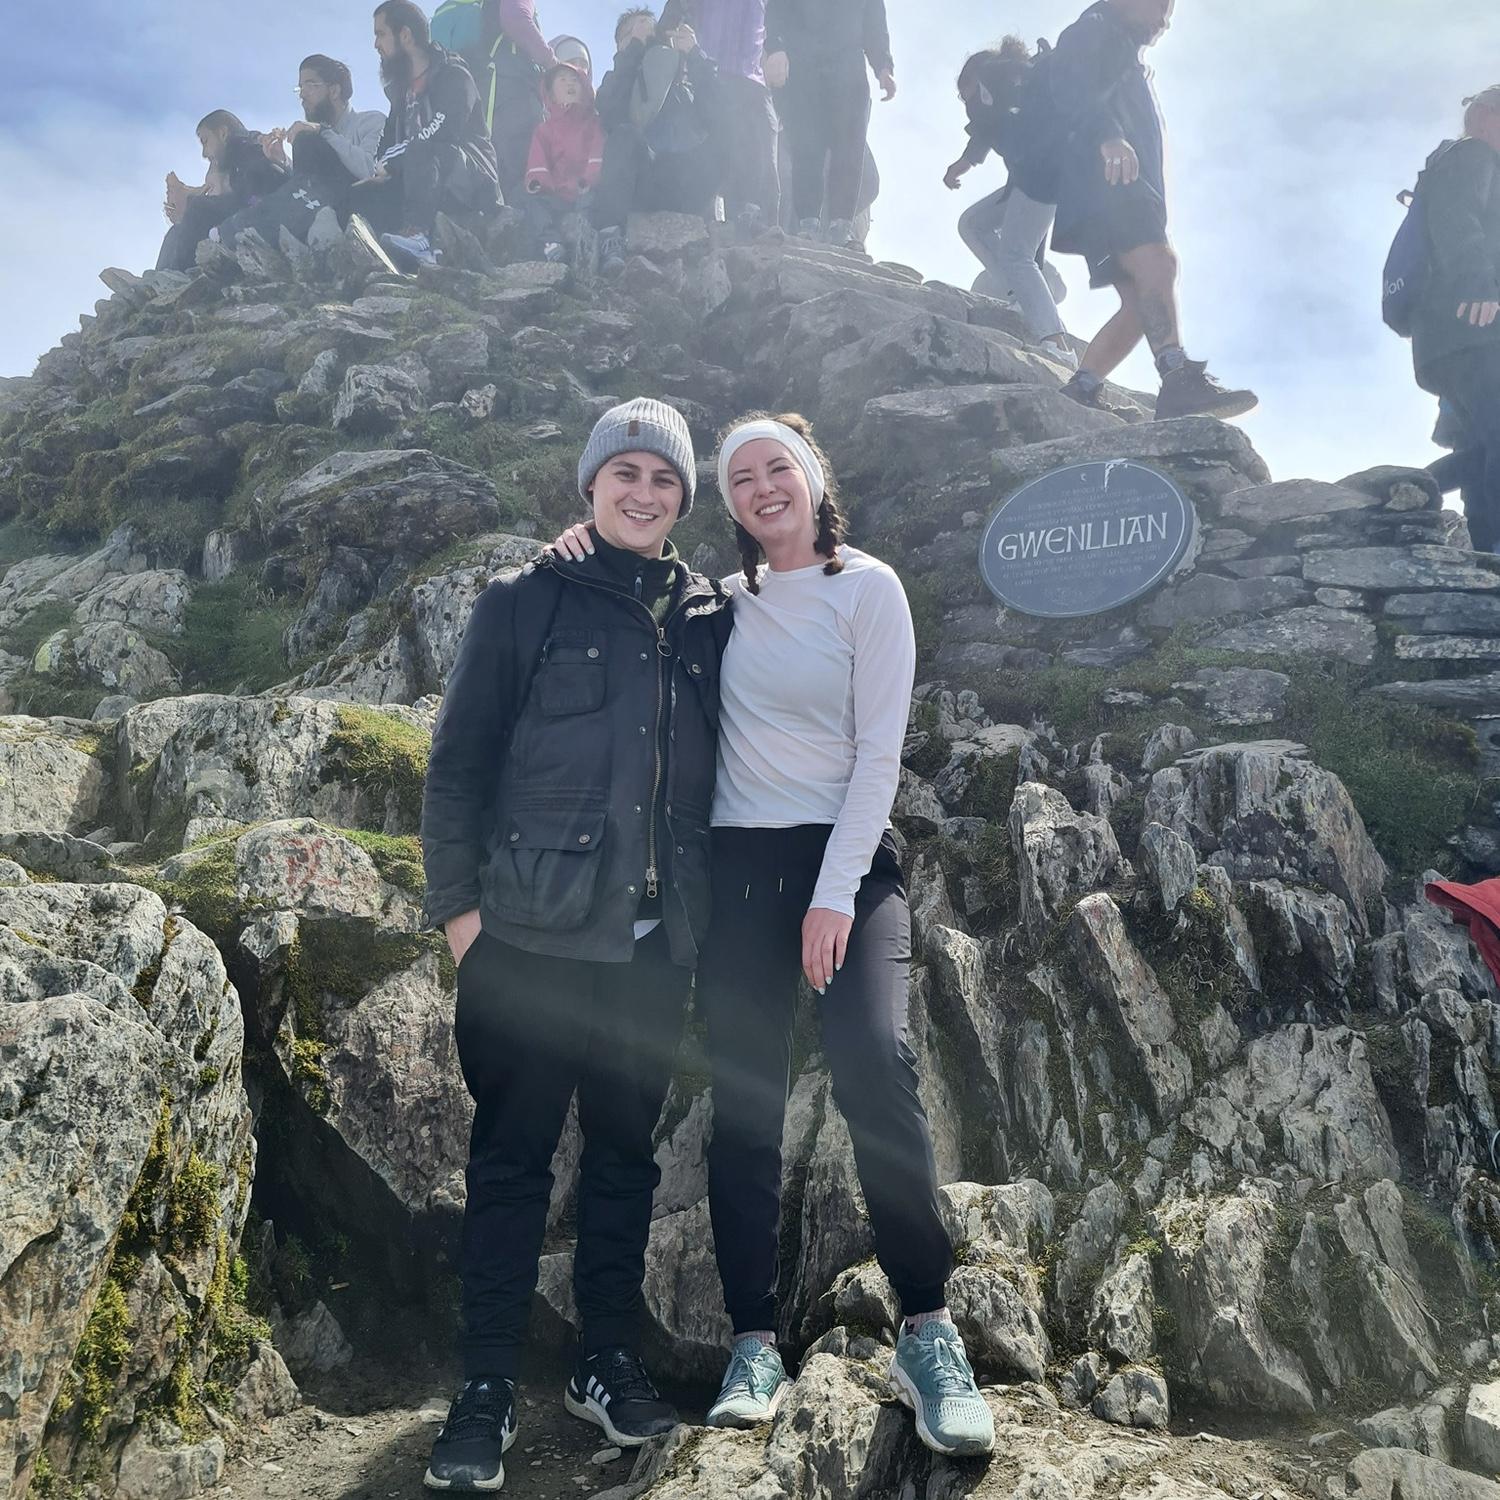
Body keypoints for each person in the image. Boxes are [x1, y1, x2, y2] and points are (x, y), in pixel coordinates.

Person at [548, 414, 996, 1460]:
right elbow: (624, 585)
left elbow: (878, 757)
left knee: (874, 1061)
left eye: (774, 469)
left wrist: (834, 896)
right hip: (740, 875)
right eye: (739, 477)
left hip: (848, 868)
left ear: (810, 477)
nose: (759, 487)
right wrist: (569, 548)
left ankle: (928, 1326)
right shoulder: (719, 604)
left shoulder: (869, 589)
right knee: (745, 1093)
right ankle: (755, 1341)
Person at [420, 399, 731, 1492]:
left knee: (623, 1161)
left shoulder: (705, 613)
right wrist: (463, 921)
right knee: (508, 1166)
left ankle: (606, 1360)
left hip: (652, 953)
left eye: (664, 479)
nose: (644, 493)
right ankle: (486, 1387)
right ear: (591, 485)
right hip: (528, 941)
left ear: (683, 498)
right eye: (625, 473)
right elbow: (456, 765)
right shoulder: (521, 601)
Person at [1042, 0, 1257, 421]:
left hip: (1113, 186)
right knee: (1159, 266)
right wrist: (1107, 136)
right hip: (1108, 182)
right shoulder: (1093, 29)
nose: (1164, 21)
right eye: (1159, 6)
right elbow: (1069, 84)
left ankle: (1082, 387)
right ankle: (1177, 380)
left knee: (1141, 301)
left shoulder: (1118, 47)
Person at [944, 41, 1075, 368]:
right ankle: (1022, 296)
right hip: (1035, 177)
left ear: (974, 77)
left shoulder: (993, 75)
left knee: (1016, 254)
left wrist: (965, 161)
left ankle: (1057, 344)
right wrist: (967, 161)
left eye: (965, 92)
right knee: (973, 224)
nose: (965, 101)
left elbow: (985, 123)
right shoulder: (1018, 78)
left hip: (1043, 175)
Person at [1411, 86, 1500, 554]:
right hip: (1473, 330)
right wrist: (1477, 285)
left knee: (1483, 449)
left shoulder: (1464, 162)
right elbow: (1456, 219)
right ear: (1484, 116)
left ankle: (1394, 493)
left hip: (1452, 338)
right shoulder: (1472, 155)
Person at [351, 0, 501, 269]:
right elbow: (385, 149)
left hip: (469, 178)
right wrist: (381, 170)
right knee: (360, 194)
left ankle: (419, 237)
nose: (375, 44)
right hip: (421, 176)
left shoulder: (454, 74)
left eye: (381, 34)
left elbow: (443, 132)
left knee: (423, 147)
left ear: (405, 35)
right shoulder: (401, 93)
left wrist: (392, 163)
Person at [593, 9, 720, 272]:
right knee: (623, 136)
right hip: (646, 182)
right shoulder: (618, 78)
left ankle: (740, 222)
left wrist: (694, 56)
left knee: (728, 131)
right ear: (621, 43)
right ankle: (610, 237)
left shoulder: (684, 86)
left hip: (687, 181)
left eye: (651, 32)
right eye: (638, 31)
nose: (649, 37)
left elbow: (719, 116)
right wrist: (634, 52)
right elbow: (609, 113)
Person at [764, 0, 894, 248]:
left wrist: (883, 67)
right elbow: (778, 9)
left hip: (849, 72)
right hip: (803, 68)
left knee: (849, 149)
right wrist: (776, 47)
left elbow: (875, 25)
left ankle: (841, 226)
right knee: (806, 148)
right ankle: (808, 224)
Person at [219, 56, 386, 245]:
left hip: (352, 206)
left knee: (305, 138)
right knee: (266, 169)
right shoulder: (317, 136)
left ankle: (248, 228)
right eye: (300, 88)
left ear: (334, 90)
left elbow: (368, 169)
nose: (302, 95)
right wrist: (282, 161)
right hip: (314, 206)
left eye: (309, 85)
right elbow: (306, 186)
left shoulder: (371, 121)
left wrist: (322, 131)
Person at [664, 0, 780, 235]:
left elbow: (782, 23)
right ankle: (726, 226)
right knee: (723, 156)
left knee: (764, 155)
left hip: (753, 81)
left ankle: (765, 228)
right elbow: (668, 26)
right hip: (710, 77)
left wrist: (779, 48)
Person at [156, 111, 286, 272]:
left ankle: (177, 275)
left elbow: (256, 195)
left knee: (199, 208)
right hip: (253, 214)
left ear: (223, 133)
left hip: (267, 218)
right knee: (177, 230)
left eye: (205, 141)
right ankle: (158, 278)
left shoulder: (249, 149)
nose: (204, 153)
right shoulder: (237, 158)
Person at [524, 62, 605, 260]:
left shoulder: (594, 123)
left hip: (585, 189)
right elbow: (537, 161)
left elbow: (597, 154)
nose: (570, 84)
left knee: (594, 201)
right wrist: (541, 185)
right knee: (530, 199)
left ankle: (587, 241)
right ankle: (551, 242)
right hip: (557, 193)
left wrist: (587, 180)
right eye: (562, 80)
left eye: (575, 80)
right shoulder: (545, 129)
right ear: (550, 94)